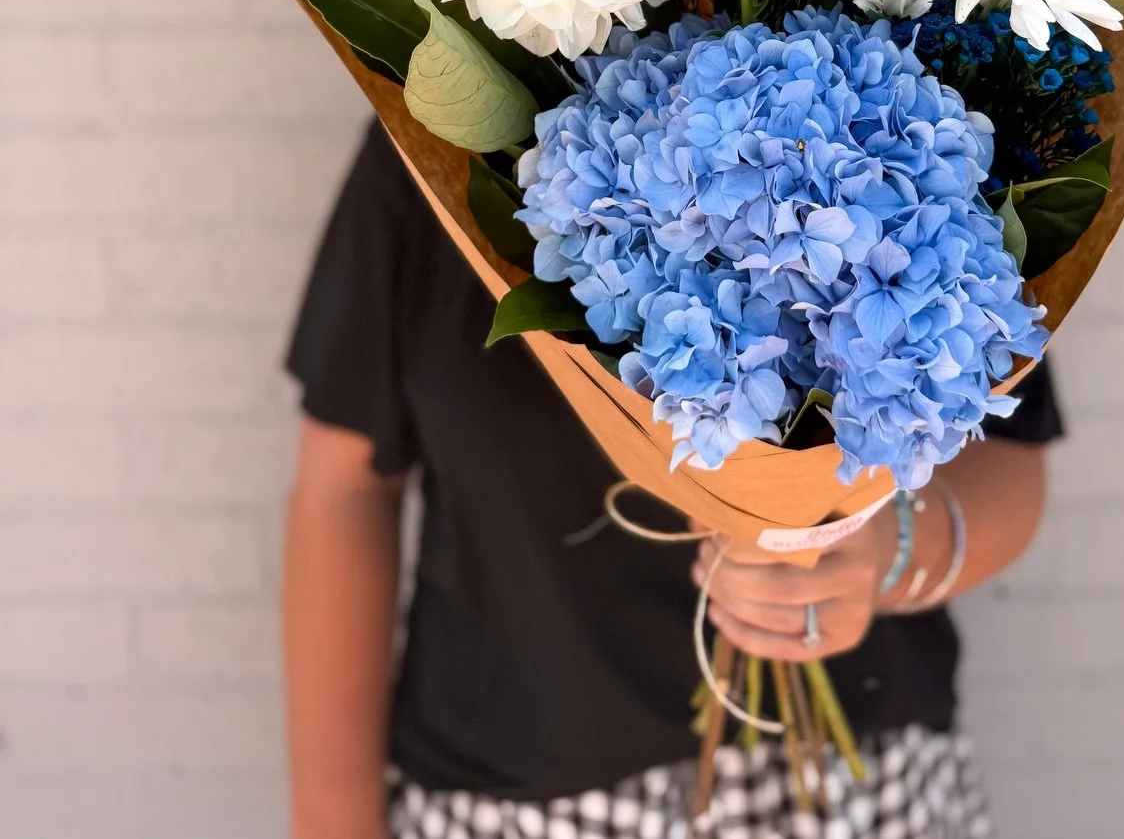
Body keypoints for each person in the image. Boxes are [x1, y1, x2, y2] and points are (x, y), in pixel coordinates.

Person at [284, 121, 1061, 839]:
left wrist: (883, 555)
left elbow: (1009, 455)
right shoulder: (439, 139)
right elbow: (347, 485)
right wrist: (332, 822)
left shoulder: (892, 131)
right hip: (515, 801)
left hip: (862, 797)